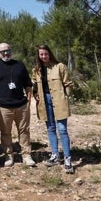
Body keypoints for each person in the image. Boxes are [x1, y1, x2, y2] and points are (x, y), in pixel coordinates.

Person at [0, 42, 35, 167]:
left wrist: (28, 101)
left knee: (24, 130)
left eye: (8, 50)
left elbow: (28, 84)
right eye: (3, 51)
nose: (6, 53)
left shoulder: (19, 65)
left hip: (21, 105)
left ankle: (26, 155)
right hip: (3, 106)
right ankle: (8, 155)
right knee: (5, 132)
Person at [32, 44, 75, 174]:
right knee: (50, 128)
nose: (44, 56)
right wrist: (36, 95)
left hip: (59, 100)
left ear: (49, 53)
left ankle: (67, 159)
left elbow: (68, 84)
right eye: (41, 54)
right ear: (38, 56)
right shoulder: (36, 70)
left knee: (62, 130)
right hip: (44, 102)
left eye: (45, 53)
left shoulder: (60, 67)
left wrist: (65, 97)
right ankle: (55, 155)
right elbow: (34, 84)